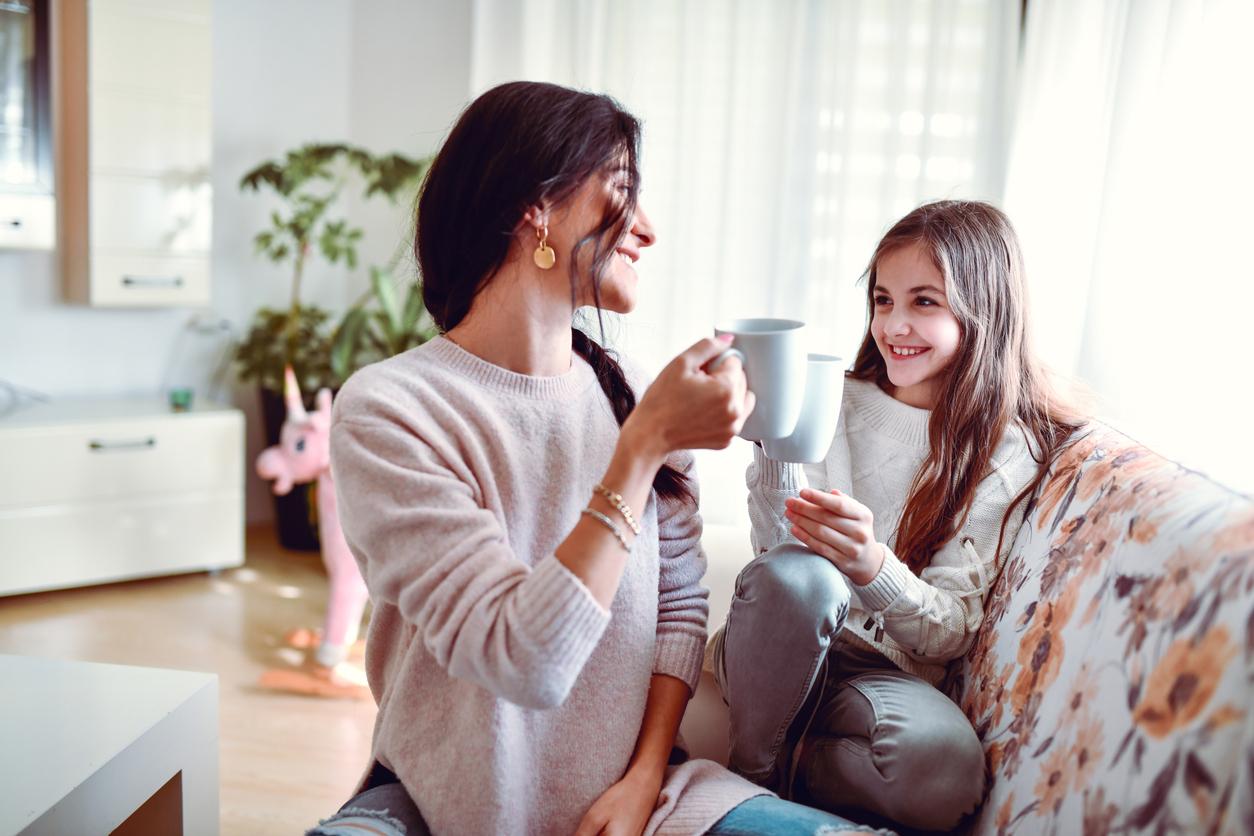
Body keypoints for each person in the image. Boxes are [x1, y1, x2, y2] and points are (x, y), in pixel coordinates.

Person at [310, 81, 885, 836]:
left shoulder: (633, 388)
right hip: (454, 809)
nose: (646, 228)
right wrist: (641, 448)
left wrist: (645, 779)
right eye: (622, 191)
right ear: (532, 208)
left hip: (648, 801)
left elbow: (678, 609)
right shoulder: (391, 408)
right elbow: (524, 661)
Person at [712, 200, 1086, 832]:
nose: (894, 324)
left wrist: (872, 565)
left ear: (983, 311)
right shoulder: (832, 402)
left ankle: (792, 761)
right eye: (883, 300)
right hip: (779, 644)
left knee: (945, 773)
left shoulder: (1003, 449)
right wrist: (773, 450)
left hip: (882, 677)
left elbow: (949, 634)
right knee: (803, 578)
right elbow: (775, 567)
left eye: (924, 302)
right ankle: (748, 782)